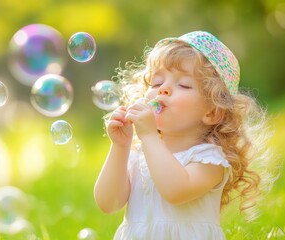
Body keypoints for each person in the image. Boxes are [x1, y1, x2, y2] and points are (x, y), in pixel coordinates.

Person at [93, 31, 274, 239]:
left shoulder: (209, 159)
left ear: (212, 111)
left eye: (184, 85)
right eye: (156, 82)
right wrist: (120, 146)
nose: (164, 90)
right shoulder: (139, 153)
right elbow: (109, 203)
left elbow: (176, 191)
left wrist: (150, 136)